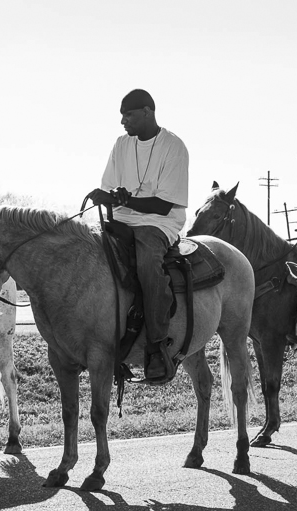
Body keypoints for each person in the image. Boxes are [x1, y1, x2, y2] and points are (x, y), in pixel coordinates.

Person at [87, 89, 189, 385]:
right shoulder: (121, 145)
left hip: (159, 224)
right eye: (121, 115)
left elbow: (164, 204)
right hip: (122, 219)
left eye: (128, 115)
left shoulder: (173, 146)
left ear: (147, 112)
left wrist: (126, 200)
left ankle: (157, 347)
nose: (122, 121)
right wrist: (105, 197)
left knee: (147, 264)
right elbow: (109, 188)